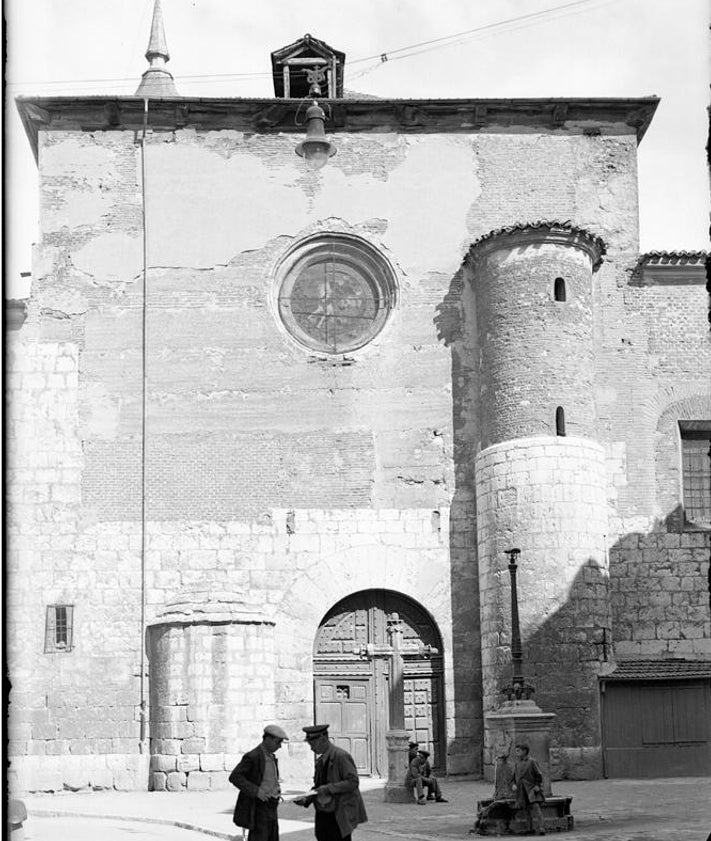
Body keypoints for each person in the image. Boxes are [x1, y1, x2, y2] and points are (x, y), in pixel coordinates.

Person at [293, 723, 368, 841]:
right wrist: (306, 799)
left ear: (323, 739)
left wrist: (329, 788)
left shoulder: (341, 756)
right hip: (323, 813)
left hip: (339, 813)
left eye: (312, 744)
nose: (311, 748)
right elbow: (318, 786)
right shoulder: (321, 760)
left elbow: (353, 782)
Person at [229, 724, 289, 841]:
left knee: (272, 837)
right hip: (259, 807)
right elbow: (235, 777)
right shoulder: (253, 756)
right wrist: (256, 791)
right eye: (278, 742)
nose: (280, 746)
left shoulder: (271, 757)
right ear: (268, 739)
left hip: (272, 805)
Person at [512, 743, 546, 836]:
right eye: (516, 751)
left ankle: (541, 827)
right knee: (525, 809)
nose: (516, 753)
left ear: (525, 751)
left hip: (531, 788)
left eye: (518, 751)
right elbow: (514, 776)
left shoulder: (532, 761)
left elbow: (539, 774)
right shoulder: (517, 763)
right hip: (521, 789)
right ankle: (529, 827)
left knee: (536, 807)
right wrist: (514, 784)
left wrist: (537, 785)